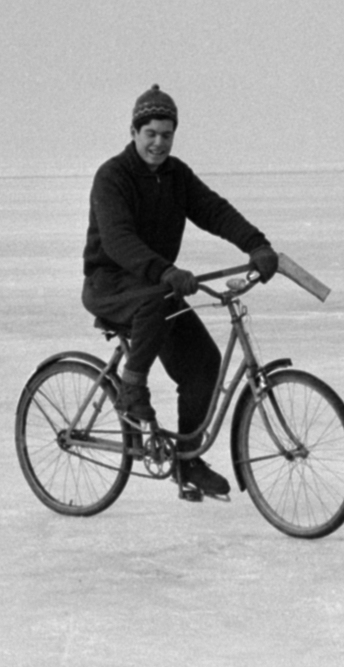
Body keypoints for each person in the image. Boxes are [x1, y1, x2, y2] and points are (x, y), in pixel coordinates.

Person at [82, 84, 280, 502]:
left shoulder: (176, 175)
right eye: (150, 132)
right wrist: (165, 271)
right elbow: (117, 241)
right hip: (111, 284)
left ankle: (187, 462)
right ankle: (132, 389)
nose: (158, 142)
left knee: (204, 365)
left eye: (166, 134)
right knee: (155, 300)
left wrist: (256, 244)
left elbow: (213, 210)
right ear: (134, 131)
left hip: (155, 286)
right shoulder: (112, 177)